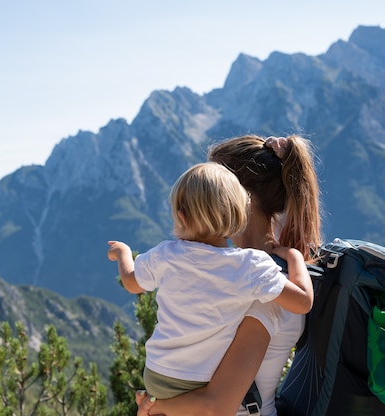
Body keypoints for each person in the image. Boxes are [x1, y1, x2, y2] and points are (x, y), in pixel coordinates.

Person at [136, 134, 322, 415]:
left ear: (239, 196)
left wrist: (153, 408)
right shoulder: (239, 273)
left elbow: (218, 405)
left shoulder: (264, 285)